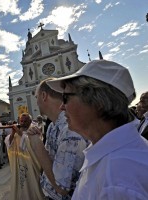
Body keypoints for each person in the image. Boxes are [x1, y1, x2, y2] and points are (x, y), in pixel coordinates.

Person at [46, 59, 148, 199]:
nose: (61, 107)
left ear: (97, 102)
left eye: (65, 98)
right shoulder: (115, 156)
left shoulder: (118, 179)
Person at [27, 80, 87, 199]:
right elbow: (51, 163)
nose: (36, 102)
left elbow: (61, 188)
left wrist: (37, 144)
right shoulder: (52, 126)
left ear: (44, 96)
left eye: (36, 97)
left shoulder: (70, 129)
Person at [4, 113, 44, 200]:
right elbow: (9, 143)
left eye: (25, 121)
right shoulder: (16, 132)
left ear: (30, 121)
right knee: (20, 185)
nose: (23, 123)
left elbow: (34, 144)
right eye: (21, 121)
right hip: (18, 163)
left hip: (31, 165)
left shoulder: (34, 130)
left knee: (32, 185)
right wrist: (13, 133)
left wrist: (19, 133)